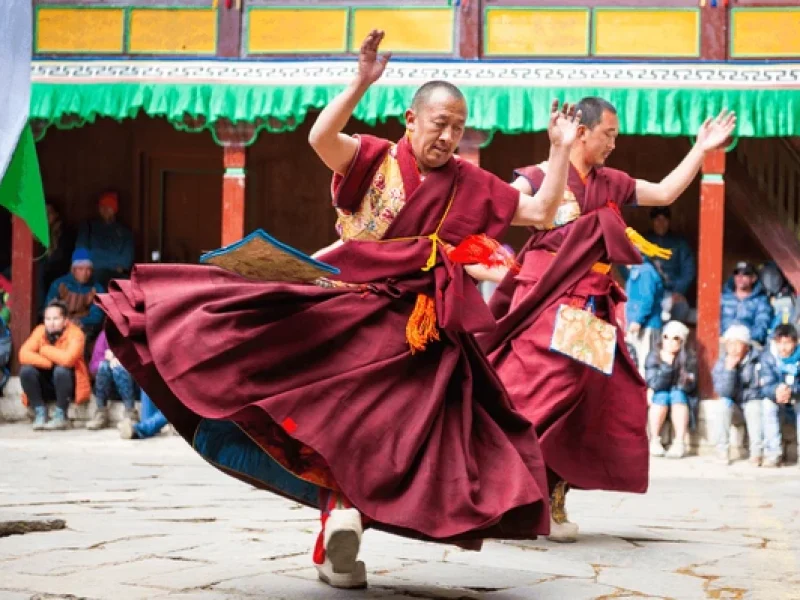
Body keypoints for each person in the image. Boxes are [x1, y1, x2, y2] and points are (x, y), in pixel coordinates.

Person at [97, 30, 581, 589]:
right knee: (327, 420)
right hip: (345, 312)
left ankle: (339, 531)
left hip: (419, 335)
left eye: (457, 126)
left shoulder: (472, 184)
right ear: (410, 119)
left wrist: (561, 148)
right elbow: (321, 136)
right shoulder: (373, 157)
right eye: (438, 123)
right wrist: (359, 82)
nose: (448, 136)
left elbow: (543, 210)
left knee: (392, 442)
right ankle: (338, 527)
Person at [478, 96, 736, 542]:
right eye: (609, 135)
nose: (614, 144)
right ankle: (501, 492)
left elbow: (665, 192)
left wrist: (701, 149)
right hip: (545, 300)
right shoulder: (537, 178)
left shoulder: (610, 182)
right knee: (528, 393)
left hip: (592, 306)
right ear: (581, 131)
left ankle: (553, 499)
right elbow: (490, 215)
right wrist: (489, 263)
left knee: (582, 401)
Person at [18, 300, 91, 430]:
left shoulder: (76, 333)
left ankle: (61, 415)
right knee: (26, 371)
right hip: (47, 384)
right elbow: (23, 354)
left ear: (65, 320)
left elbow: (68, 360)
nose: (51, 323)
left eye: (56, 319)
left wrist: (44, 350)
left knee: (61, 370)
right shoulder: (40, 331)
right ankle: (40, 412)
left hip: (68, 386)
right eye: (47, 319)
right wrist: (50, 362)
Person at [712, 325, 763, 466]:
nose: (733, 348)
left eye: (737, 343)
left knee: (754, 406)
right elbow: (724, 392)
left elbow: (758, 390)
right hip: (735, 408)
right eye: (729, 344)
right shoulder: (722, 363)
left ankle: (756, 452)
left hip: (751, 404)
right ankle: (722, 451)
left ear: (746, 346)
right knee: (723, 404)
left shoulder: (757, 360)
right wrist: (730, 371)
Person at [645, 320, 696, 459]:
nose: (670, 341)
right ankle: (654, 439)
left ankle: (679, 442)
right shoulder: (654, 355)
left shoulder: (689, 357)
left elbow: (689, 385)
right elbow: (654, 384)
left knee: (677, 395)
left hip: (681, 397)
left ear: (682, 341)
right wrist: (667, 365)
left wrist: (676, 387)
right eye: (666, 337)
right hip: (660, 394)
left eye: (675, 338)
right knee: (661, 396)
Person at [644, 207, 695, 324]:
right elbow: (629, 267)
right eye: (657, 219)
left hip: (672, 292)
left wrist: (678, 291)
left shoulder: (679, 242)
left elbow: (689, 270)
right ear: (652, 221)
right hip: (649, 292)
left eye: (664, 219)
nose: (661, 223)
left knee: (681, 308)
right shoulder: (644, 241)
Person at [759, 323, 800, 468]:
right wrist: (776, 390)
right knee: (766, 404)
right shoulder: (768, 357)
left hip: (796, 398)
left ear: (795, 342)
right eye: (779, 343)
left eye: (787, 343)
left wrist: (791, 390)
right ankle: (773, 454)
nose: (783, 348)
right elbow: (765, 384)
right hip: (777, 398)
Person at [76, 191, 134, 287]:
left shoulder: (125, 233)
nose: (105, 209)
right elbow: (81, 254)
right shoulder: (88, 227)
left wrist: (95, 256)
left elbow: (125, 262)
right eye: (102, 206)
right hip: (89, 276)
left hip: (116, 278)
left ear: (115, 209)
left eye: (109, 206)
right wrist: (114, 263)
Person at [45, 248, 105, 340]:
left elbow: (97, 316)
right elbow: (49, 308)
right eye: (80, 269)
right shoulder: (59, 284)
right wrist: (64, 322)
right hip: (59, 325)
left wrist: (80, 322)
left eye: (88, 269)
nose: (85, 273)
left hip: (84, 327)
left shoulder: (97, 288)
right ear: (73, 269)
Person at [86, 330, 139, 430]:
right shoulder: (105, 334)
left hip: (132, 387)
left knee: (120, 367)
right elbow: (93, 366)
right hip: (110, 387)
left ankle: (130, 413)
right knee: (103, 366)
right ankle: (101, 412)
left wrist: (122, 359)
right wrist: (107, 360)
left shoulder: (135, 333)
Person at [625, 253, 665, 375]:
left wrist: (638, 320)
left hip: (647, 326)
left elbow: (647, 298)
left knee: (645, 364)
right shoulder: (638, 269)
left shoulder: (645, 271)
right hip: (639, 324)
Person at [720, 261, 773, 347]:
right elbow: (712, 320)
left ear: (753, 278)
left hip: (748, 342)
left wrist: (745, 338)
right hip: (723, 340)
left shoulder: (761, 301)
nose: (740, 277)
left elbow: (762, 325)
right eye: (737, 273)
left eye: (745, 274)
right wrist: (722, 336)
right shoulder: (723, 298)